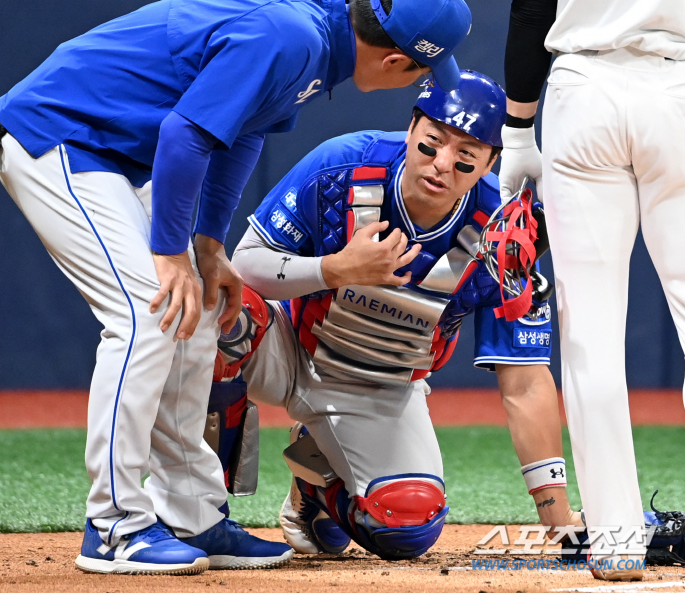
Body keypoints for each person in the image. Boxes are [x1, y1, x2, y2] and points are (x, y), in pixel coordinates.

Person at [0, 0, 472, 575]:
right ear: (398, 59)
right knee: (148, 313)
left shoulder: (317, 30)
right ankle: (113, 526)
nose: (424, 81)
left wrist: (208, 247)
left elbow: (241, 135)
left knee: (200, 312)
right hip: (59, 137)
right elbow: (185, 135)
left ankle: (194, 515)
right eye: (424, 70)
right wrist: (170, 253)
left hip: (115, 156)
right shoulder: (291, 35)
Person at [210, 73, 583, 560]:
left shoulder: (503, 239)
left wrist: (558, 522)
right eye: (431, 145)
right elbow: (245, 267)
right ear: (411, 129)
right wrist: (336, 268)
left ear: (491, 163)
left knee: (407, 525)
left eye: (466, 157)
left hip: (382, 386)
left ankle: (318, 481)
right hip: (287, 347)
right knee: (208, 305)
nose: (442, 165)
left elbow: (525, 382)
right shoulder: (342, 165)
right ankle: (198, 513)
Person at [492, 0, 685, 581]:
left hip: (584, 89)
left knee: (591, 337)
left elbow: (529, 6)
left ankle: (617, 539)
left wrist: (517, 130)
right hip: (680, 87)